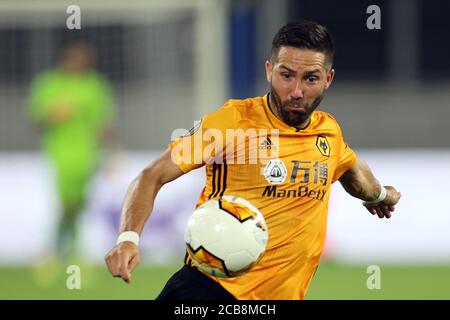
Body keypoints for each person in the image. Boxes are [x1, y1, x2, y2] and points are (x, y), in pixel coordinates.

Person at [104, 21, 401, 300]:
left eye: (310, 78)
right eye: (286, 75)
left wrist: (379, 195)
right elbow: (151, 176)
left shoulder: (328, 133)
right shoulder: (232, 123)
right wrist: (128, 238)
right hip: (209, 291)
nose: (296, 91)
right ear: (269, 71)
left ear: (328, 79)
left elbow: (352, 168)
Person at [29, 41, 116, 261]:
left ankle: (56, 251)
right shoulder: (50, 83)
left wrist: (111, 154)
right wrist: (52, 114)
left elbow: (103, 124)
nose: (81, 62)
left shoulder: (95, 84)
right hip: (61, 155)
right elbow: (36, 121)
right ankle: (71, 253)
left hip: (88, 156)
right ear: (65, 59)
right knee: (66, 204)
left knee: (77, 205)